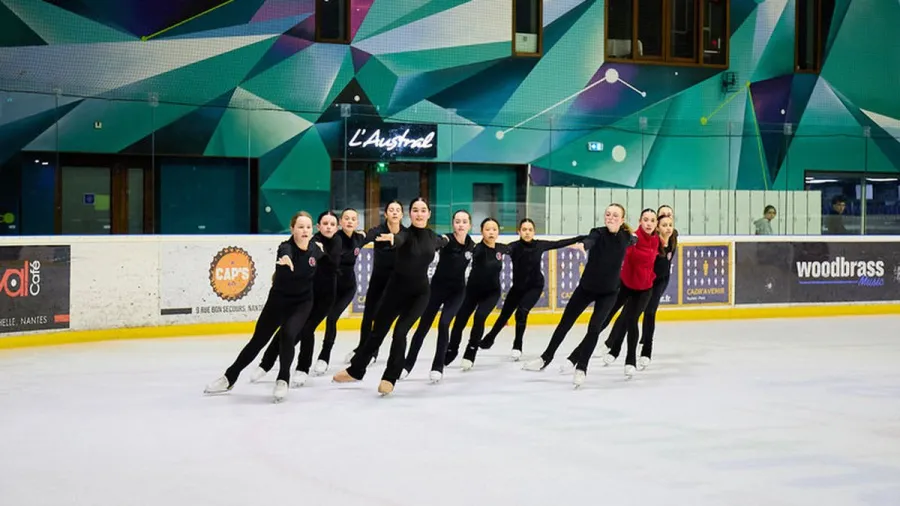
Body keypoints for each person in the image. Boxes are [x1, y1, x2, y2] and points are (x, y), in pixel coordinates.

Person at [333, 198, 449, 396]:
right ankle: (356, 370)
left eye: (423, 210)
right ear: (410, 214)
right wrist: (393, 239)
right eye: (415, 210)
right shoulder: (403, 234)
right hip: (395, 291)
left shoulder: (434, 237)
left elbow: (444, 241)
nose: (419, 214)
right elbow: (400, 239)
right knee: (377, 332)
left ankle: (390, 377)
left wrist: (452, 239)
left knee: (400, 332)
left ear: (429, 213)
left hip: (419, 295)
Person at [203, 211, 324, 402]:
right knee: (258, 341)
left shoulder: (316, 250)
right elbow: (286, 252)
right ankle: (229, 377)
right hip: (278, 301)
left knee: (288, 335)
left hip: (302, 303)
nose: (304, 231)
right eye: (300, 227)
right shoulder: (285, 248)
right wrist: (286, 259)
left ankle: (283, 379)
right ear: (292, 229)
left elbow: (329, 264)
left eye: (308, 227)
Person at [522, 204, 634, 372]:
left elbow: (637, 238)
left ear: (622, 220)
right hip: (586, 289)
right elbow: (590, 240)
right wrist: (584, 245)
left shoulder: (627, 237)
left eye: (615, 215)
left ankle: (581, 367)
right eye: (608, 214)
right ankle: (546, 358)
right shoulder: (598, 232)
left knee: (594, 328)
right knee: (565, 323)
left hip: (609, 293)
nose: (611, 218)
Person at [564, 208, 660, 386]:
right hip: (624, 284)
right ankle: (576, 355)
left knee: (631, 321)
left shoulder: (656, 240)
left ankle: (630, 360)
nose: (648, 223)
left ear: (656, 224)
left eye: (652, 220)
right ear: (640, 221)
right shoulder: (632, 237)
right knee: (603, 321)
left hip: (645, 287)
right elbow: (623, 254)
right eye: (645, 220)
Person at [249, 211, 342, 386]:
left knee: (306, 330)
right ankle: (266, 364)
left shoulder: (336, 242)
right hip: (307, 294)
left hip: (325, 297)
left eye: (332, 224)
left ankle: (302, 368)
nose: (328, 227)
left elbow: (333, 267)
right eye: (325, 223)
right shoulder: (309, 240)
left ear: (337, 227)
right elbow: (289, 251)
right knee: (286, 333)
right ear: (318, 226)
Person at [478, 219, 584, 361]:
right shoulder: (513, 247)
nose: (527, 232)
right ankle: (490, 338)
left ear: (534, 232)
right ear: (519, 232)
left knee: (521, 312)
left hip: (535, 286)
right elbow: (498, 249)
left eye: (530, 230)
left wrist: (582, 238)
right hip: (518, 288)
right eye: (524, 229)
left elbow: (559, 243)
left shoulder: (539, 245)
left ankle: (517, 345)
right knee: (504, 315)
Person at [402, 209, 475, 382]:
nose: (461, 224)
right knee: (423, 326)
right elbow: (432, 243)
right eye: (457, 221)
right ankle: (407, 365)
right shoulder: (446, 240)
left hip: (457, 292)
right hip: (436, 289)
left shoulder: (472, 245)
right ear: (453, 224)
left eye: (464, 221)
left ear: (470, 225)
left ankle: (438, 366)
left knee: (444, 324)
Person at [605, 206, 678, 371]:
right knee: (629, 315)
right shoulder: (652, 239)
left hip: (658, 281)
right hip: (642, 281)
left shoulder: (673, 236)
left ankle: (645, 350)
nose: (667, 223)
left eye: (670, 218)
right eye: (663, 218)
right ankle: (613, 346)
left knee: (649, 312)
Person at [444, 217, 509, 370]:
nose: (491, 232)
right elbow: (462, 254)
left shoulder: (502, 248)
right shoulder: (477, 249)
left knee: (480, 317)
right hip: (472, 292)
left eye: (494, 229)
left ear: (498, 232)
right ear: (481, 232)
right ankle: (452, 349)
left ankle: (471, 350)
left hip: (492, 293)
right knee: (460, 320)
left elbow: (522, 248)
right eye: (487, 229)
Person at [345, 200, 405, 364]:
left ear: (401, 214)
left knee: (382, 318)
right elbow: (365, 237)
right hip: (378, 280)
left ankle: (372, 352)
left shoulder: (406, 234)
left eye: (397, 210)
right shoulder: (378, 231)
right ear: (385, 214)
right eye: (391, 210)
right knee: (368, 316)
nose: (394, 212)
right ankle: (362, 348)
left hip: (397, 283)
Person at [315, 208, 370, 375]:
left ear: (357, 223)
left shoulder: (359, 238)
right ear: (340, 222)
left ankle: (324, 357)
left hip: (347, 288)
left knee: (332, 318)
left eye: (353, 219)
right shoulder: (334, 239)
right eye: (346, 218)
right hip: (330, 287)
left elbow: (374, 235)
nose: (350, 221)